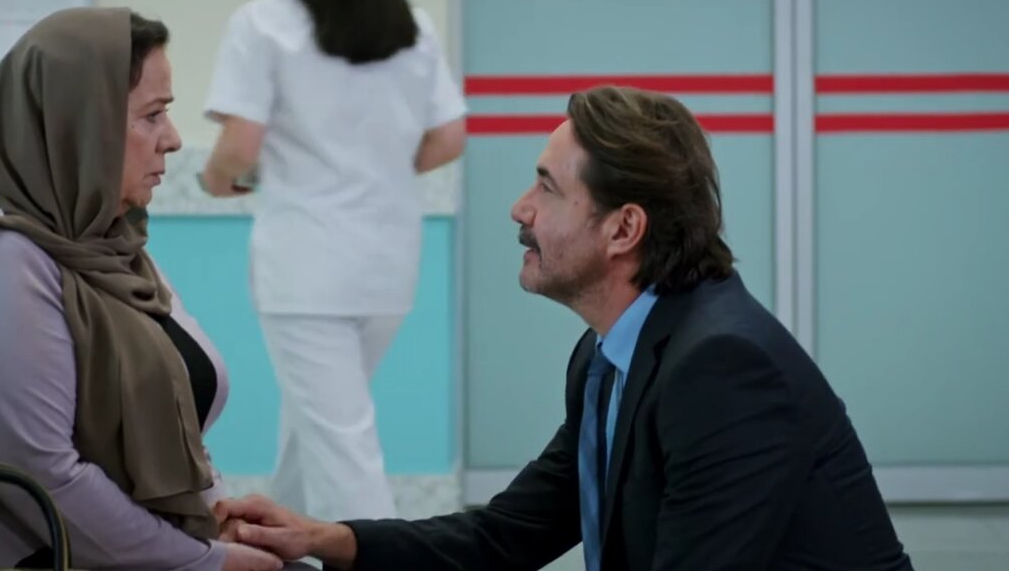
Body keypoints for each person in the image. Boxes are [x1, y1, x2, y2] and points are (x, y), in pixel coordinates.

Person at [212, 86, 915, 570]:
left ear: (623, 229)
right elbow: (504, 537)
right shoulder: (610, 353)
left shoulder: (723, 368)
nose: (520, 209)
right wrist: (325, 538)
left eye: (547, 187)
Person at [0, 8, 292, 570]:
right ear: (79, 125)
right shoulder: (5, 259)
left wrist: (218, 516)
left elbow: (176, 419)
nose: (174, 140)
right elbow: (43, 478)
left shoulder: (107, 241)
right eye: (152, 115)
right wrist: (204, 561)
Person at [198, 0, 466, 523]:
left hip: (307, 272)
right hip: (387, 266)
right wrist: (379, 169)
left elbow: (239, 145)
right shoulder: (412, 30)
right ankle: (280, 548)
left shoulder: (263, 25)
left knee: (342, 448)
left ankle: (381, 557)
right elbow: (449, 136)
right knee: (313, 429)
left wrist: (217, 178)